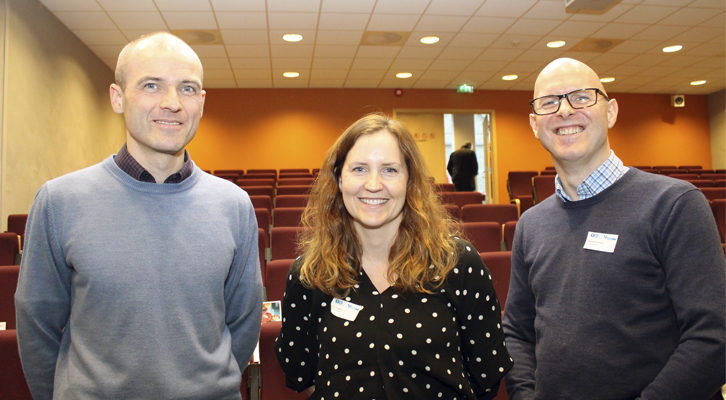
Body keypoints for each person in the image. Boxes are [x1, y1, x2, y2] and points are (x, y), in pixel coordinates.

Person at [15, 32, 263, 400]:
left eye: (188, 89)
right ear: (118, 97)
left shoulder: (235, 205)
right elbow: (37, 324)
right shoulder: (60, 200)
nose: (172, 103)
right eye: (151, 85)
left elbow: (244, 322)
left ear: (202, 102)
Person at [503, 58, 725, 400]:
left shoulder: (674, 204)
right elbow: (517, 332)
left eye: (581, 97)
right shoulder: (531, 224)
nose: (564, 111)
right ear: (535, 124)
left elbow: (714, 336)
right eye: (550, 102)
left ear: (611, 112)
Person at [275, 114, 512, 400]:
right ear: (339, 179)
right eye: (359, 169)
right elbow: (302, 372)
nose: (373, 184)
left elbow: (485, 375)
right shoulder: (309, 274)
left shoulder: (458, 263)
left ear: (410, 180)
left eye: (389, 170)